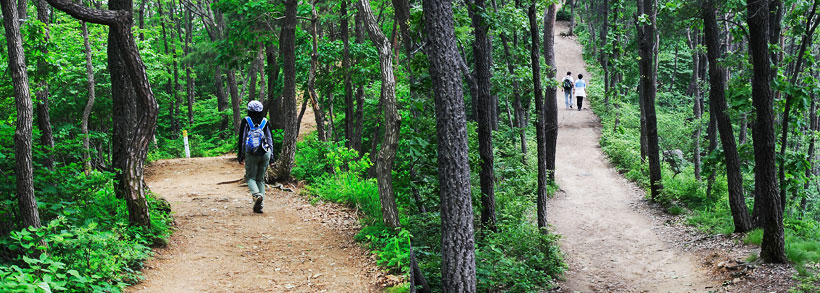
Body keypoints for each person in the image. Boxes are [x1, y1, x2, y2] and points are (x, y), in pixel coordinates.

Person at [237, 100, 274, 213]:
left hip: (252, 153)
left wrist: (241, 155)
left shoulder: (246, 121)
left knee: (250, 178)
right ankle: (260, 205)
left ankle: (256, 195)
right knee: (260, 179)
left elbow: (242, 139)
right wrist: (272, 156)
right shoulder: (265, 121)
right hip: (265, 152)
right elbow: (270, 139)